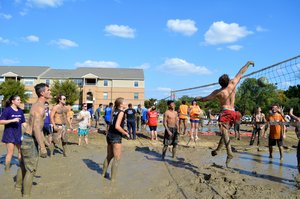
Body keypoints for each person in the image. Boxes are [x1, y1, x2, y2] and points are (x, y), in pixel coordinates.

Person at [195, 61, 254, 167]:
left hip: (225, 112)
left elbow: (205, 99)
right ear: (228, 81)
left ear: (220, 83)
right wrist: (248, 64)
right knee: (224, 133)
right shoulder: (233, 84)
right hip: (234, 112)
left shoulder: (218, 92)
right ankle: (217, 149)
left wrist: (197, 98)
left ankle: (229, 153)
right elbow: (241, 73)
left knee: (224, 133)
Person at [15, 83, 51, 197]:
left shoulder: (35, 105)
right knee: (31, 170)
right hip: (31, 141)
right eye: (48, 90)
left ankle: (17, 187)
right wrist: (42, 147)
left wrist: (45, 141)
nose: (50, 92)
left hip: (25, 137)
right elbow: (36, 128)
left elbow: (38, 128)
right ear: (42, 93)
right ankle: (26, 195)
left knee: (23, 165)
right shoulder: (40, 108)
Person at [102, 97, 130, 181]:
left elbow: (111, 125)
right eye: (125, 102)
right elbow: (117, 126)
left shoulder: (114, 111)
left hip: (109, 135)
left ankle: (103, 174)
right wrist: (125, 133)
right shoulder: (121, 112)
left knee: (109, 156)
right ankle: (113, 180)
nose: (126, 103)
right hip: (115, 136)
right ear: (121, 105)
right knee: (117, 158)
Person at [0, 95, 26, 171]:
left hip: (18, 134)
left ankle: (21, 167)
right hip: (9, 134)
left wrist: (30, 129)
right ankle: (7, 169)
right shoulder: (7, 110)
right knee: (10, 152)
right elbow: (1, 121)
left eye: (20, 100)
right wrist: (12, 120)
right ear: (13, 101)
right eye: (18, 100)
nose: (20, 101)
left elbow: (23, 123)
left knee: (20, 151)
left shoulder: (20, 111)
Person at [289, 108, 300, 172]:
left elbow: (291, 114)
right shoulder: (298, 120)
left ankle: (298, 166)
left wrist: (291, 110)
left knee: (298, 154)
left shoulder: (298, 119)